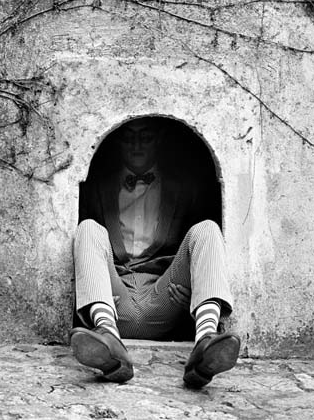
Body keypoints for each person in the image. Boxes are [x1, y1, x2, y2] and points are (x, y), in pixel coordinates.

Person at [70, 117, 241, 388]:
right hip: (115, 299)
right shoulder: (98, 186)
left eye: (145, 137)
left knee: (207, 229)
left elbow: (198, 253)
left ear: (158, 140)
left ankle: (206, 341)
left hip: (165, 296)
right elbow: (88, 251)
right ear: (118, 142)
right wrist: (97, 290)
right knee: (88, 228)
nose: (137, 145)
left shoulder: (184, 187)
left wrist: (194, 291)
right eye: (129, 137)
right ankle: (108, 339)